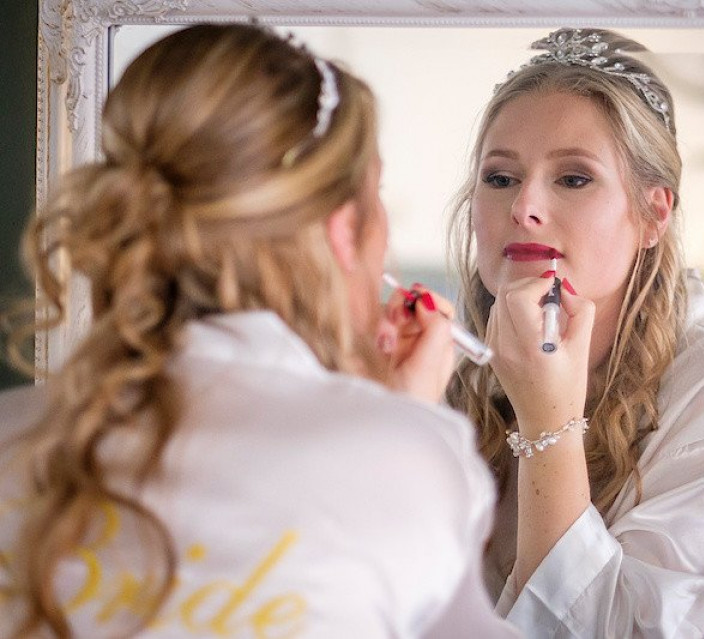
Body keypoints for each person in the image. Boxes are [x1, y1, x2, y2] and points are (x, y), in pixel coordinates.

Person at [0, 24, 517, 639]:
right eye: (376, 198)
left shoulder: (13, 431)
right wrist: (399, 420)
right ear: (341, 231)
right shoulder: (412, 458)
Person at [446, 28, 704, 637]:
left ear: (653, 214)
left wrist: (547, 424)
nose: (524, 207)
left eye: (574, 178)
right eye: (501, 177)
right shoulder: (451, 387)